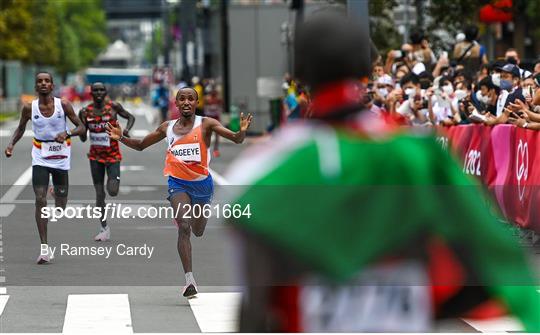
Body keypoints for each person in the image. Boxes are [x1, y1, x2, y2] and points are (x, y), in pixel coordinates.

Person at [226, 8, 540, 332]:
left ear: (298, 72)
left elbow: (255, 306)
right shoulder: (421, 156)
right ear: (366, 69)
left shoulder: (261, 173)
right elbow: (490, 256)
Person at [105, 87, 253, 298]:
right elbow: (140, 145)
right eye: (182, 99)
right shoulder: (168, 127)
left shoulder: (207, 124)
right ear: (176, 103)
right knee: (184, 227)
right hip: (177, 184)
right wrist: (121, 138)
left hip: (202, 185)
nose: (186, 102)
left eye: (190, 99)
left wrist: (242, 131)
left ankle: (197, 218)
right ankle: (189, 280)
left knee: (198, 230)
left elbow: (236, 139)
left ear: (196, 102)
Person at [4, 72, 85, 264]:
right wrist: (11, 144)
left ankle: (56, 193)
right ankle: (44, 248)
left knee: (61, 206)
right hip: (40, 156)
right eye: (39, 81)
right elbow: (21, 128)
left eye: (46, 81)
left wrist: (67, 133)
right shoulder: (29, 108)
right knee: (39, 199)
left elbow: (81, 127)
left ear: (52, 85)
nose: (43, 83)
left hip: (61, 158)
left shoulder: (63, 105)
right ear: (36, 86)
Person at [79, 82, 136, 241]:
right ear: (91, 93)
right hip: (95, 157)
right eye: (95, 90)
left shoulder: (114, 106)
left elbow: (131, 117)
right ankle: (104, 228)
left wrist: (126, 130)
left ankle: (113, 181)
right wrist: (82, 129)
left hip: (112, 156)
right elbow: (83, 138)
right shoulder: (85, 111)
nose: (98, 92)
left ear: (105, 92)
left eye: (101, 90)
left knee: (112, 191)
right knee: (99, 194)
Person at [203, 85, 223, 158]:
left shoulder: (218, 99)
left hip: (216, 117)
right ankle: (206, 149)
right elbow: (205, 108)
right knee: (208, 134)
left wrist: (217, 110)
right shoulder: (207, 98)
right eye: (212, 92)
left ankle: (216, 149)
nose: (214, 93)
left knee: (217, 134)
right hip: (209, 117)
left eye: (215, 92)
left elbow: (220, 107)